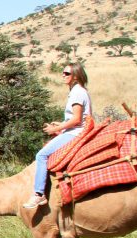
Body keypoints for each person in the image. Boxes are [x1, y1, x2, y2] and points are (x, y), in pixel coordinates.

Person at [23, 63, 93, 209]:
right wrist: (61, 125)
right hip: (74, 130)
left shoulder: (77, 93)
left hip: (76, 133)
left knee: (41, 155)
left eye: (67, 73)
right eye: (63, 73)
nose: (63, 75)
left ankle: (38, 194)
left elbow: (77, 119)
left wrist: (58, 128)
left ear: (75, 76)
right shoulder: (78, 91)